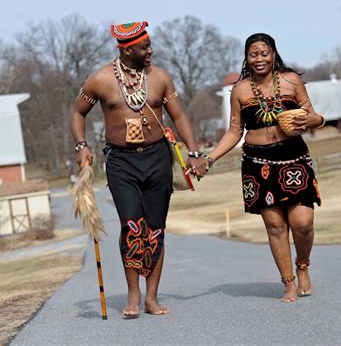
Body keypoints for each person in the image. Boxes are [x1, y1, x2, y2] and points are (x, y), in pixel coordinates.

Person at [70, 22, 206, 318]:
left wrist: (194, 152)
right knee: (133, 226)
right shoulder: (101, 79)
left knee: (155, 228)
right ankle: (133, 295)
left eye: (149, 45)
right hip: (121, 162)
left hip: (157, 158)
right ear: (126, 49)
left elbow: (179, 115)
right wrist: (81, 146)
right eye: (145, 48)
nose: (150, 51)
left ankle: (151, 298)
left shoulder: (160, 78)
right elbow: (77, 112)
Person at [202, 33, 324, 302]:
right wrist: (210, 159)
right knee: (275, 226)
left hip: (294, 158)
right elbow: (235, 131)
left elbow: (314, 115)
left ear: (273, 54)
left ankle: (302, 266)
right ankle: (288, 282)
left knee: (302, 223)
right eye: (253, 54)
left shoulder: (292, 81)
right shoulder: (240, 90)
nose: (259, 59)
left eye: (264, 53)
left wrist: (313, 121)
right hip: (257, 164)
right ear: (247, 57)